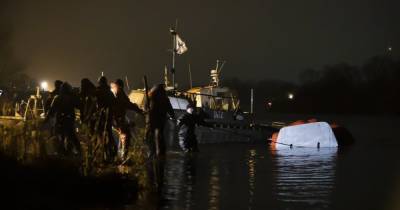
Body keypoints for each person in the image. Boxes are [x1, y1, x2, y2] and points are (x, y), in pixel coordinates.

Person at [45, 82, 81, 155]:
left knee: (60, 136)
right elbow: (79, 106)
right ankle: (76, 151)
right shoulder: (71, 98)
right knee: (72, 136)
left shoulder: (57, 98)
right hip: (69, 120)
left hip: (60, 120)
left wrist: (46, 119)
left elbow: (52, 110)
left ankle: (62, 151)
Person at [111, 79, 143, 160]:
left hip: (115, 120)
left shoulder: (114, 93)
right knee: (126, 136)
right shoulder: (120, 93)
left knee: (122, 136)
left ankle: (120, 155)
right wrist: (139, 110)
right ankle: (123, 157)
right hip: (117, 120)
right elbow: (128, 104)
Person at [145, 84, 175, 157]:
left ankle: (152, 152)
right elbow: (170, 110)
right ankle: (160, 153)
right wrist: (172, 116)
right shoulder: (164, 98)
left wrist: (146, 111)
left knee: (150, 137)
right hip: (160, 120)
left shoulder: (150, 97)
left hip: (151, 120)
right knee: (159, 136)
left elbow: (145, 108)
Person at [95, 76, 116, 161]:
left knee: (100, 135)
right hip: (108, 117)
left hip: (102, 117)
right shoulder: (109, 92)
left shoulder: (98, 92)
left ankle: (105, 154)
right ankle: (110, 153)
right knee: (108, 135)